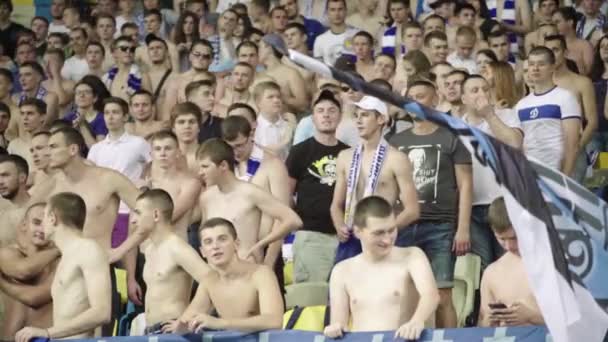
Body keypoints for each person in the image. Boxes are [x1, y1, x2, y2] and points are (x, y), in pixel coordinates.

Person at [389, 80, 473, 329]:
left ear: (434, 100)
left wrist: (463, 228)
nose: (415, 102)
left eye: (421, 96)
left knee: (442, 295)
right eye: (410, 97)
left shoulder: (452, 137)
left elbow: (466, 185)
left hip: (441, 226)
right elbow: (387, 186)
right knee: (403, 296)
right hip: (403, 225)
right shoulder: (395, 141)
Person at [324, 196, 439, 340]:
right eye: (379, 233)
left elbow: (431, 296)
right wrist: (335, 328)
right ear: (358, 231)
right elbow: (339, 323)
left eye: (391, 230)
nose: (387, 239)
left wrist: (417, 321)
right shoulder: (341, 271)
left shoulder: (412, 256)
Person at [330, 95, 419, 263]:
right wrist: (339, 224)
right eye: (356, 116)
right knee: (341, 287)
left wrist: (383, 232)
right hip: (351, 237)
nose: (358, 121)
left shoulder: (396, 158)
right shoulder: (345, 157)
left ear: (381, 119)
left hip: (381, 241)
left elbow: (412, 210)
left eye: (365, 115)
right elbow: (336, 204)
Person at [14, 192, 111, 341]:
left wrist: (47, 333)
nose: (42, 224)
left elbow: (102, 312)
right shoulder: (67, 256)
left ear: (53, 218)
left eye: (44, 217)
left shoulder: (88, 250)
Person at [164, 217, 283, 333]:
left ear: (236, 244)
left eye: (222, 239)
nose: (215, 246)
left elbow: (274, 320)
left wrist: (221, 323)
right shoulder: (209, 281)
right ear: (203, 252)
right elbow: (187, 321)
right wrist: (180, 327)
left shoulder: (261, 274)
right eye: (208, 242)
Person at [196, 138, 302, 262]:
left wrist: (260, 245)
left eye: (205, 166)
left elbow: (293, 220)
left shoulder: (250, 192)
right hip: (217, 273)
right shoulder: (206, 198)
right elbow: (204, 236)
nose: (200, 173)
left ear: (223, 165)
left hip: (247, 268)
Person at [286, 90, 349, 283]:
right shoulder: (300, 151)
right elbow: (287, 193)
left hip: (344, 237)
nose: (326, 115)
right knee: (312, 299)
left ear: (339, 117)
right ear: (313, 118)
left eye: (331, 110)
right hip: (311, 236)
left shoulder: (348, 153)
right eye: (320, 111)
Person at [460, 74, 522, 270]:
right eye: (474, 90)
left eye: (485, 89)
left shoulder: (506, 115)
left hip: (504, 201)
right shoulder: (455, 126)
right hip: (473, 207)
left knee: (510, 262)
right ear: (463, 98)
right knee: (482, 267)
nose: (482, 94)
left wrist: (489, 115)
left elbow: (514, 142)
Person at [129, 189, 210, 334]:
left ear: (155, 215)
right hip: (150, 329)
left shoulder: (177, 248)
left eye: (138, 213)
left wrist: (186, 319)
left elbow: (212, 281)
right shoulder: (149, 250)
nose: (133, 220)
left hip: (172, 329)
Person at [87, 97, 152, 248]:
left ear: (125, 116)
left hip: (129, 210)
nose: (110, 117)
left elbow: (153, 165)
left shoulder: (139, 143)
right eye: (107, 113)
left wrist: (144, 182)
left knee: (125, 256)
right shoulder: (96, 149)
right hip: (103, 213)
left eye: (115, 112)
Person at [515, 46, 581, 176]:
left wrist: (565, 178)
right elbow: (519, 144)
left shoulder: (565, 97)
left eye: (541, 64)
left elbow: (572, 144)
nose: (535, 68)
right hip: (530, 174)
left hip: (556, 172)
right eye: (532, 64)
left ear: (552, 67)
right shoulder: (521, 105)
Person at [478, 197, 544, 327]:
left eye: (514, 238)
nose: (509, 246)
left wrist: (531, 316)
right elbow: (482, 325)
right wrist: (490, 321)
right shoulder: (492, 273)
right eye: (501, 239)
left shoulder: (554, 265)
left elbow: (578, 322)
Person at [543, 34, 597, 181]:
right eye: (548, 51)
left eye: (555, 50)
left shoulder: (582, 83)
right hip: (546, 151)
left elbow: (592, 122)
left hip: (573, 150)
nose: (552, 55)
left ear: (566, 52)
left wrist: (576, 148)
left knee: (572, 200)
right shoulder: (539, 83)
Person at [0, 203, 58, 340]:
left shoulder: (59, 261)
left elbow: (35, 298)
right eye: (37, 222)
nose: (42, 229)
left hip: (42, 338)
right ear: (24, 225)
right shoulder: (7, 253)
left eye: (48, 224)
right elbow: (22, 270)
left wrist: (2, 282)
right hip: (7, 338)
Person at [163, 40, 216, 118]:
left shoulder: (217, 81)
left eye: (206, 56)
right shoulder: (176, 81)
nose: (200, 58)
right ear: (190, 56)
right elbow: (168, 114)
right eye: (197, 54)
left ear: (211, 60)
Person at [258, 34, 309, 114]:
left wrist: (279, 97)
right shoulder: (259, 75)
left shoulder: (291, 73)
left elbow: (303, 104)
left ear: (269, 47)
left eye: (259, 47)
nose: (258, 51)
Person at [253, 81, 295, 161]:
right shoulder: (253, 128)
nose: (276, 100)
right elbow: (266, 153)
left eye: (278, 97)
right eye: (270, 97)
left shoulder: (288, 124)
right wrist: (286, 139)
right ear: (258, 102)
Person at [63, 76, 110, 148]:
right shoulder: (68, 118)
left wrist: (82, 126)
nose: (82, 95)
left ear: (95, 98)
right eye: (78, 93)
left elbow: (98, 150)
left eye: (87, 92)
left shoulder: (102, 118)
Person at [104, 36, 152, 103]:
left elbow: (150, 102)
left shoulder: (142, 75)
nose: (128, 51)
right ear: (114, 53)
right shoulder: (107, 77)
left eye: (132, 49)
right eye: (124, 48)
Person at [313, 0, 358, 66]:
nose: (337, 13)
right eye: (332, 10)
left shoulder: (357, 35)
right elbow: (318, 69)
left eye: (340, 9)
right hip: (328, 76)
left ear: (346, 11)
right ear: (327, 12)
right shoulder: (319, 40)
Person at [14, 62, 59, 126]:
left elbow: (45, 123)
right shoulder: (16, 98)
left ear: (39, 77)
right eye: (20, 75)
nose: (22, 79)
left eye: (27, 75)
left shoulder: (50, 98)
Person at [553, 7, 593, 75]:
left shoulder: (585, 45)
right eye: (553, 23)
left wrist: (578, 62)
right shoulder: (552, 44)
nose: (554, 26)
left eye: (557, 22)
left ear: (570, 22)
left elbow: (588, 74)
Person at [0, 154, 31, 246]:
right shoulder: (2, 210)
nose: (0, 181)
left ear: (22, 178)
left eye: (5, 175)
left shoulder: (39, 210)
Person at [8, 99, 46, 169]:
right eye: (22, 114)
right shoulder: (13, 145)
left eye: (30, 113)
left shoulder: (51, 141)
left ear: (42, 117)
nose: (25, 118)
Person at [144, 34, 175, 114]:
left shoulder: (175, 77)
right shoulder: (141, 77)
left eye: (159, 48)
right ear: (148, 53)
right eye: (151, 49)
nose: (155, 51)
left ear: (167, 52)